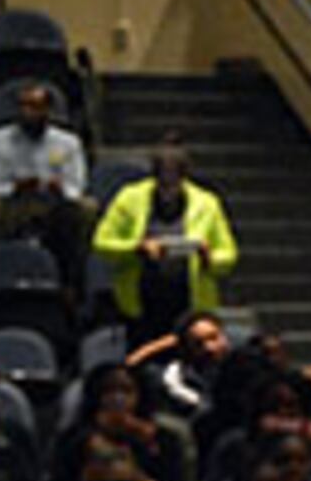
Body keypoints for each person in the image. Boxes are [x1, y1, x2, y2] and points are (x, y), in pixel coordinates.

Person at [89, 140, 240, 341]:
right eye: (163, 182)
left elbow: (228, 255)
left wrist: (208, 257)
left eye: (174, 182)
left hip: (190, 304)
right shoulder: (129, 198)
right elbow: (102, 242)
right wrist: (137, 248)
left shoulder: (207, 204)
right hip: (141, 302)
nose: (168, 189)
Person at [0, 78, 95, 268]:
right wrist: (14, 188)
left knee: (87, 207)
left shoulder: (69, 142)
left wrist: (61, 188)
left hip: (54, 205)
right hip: (12, 205)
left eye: (36, 107)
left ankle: (74, 273)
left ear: (48, 110)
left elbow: (77, 185)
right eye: (24, 106)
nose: (29, 113)